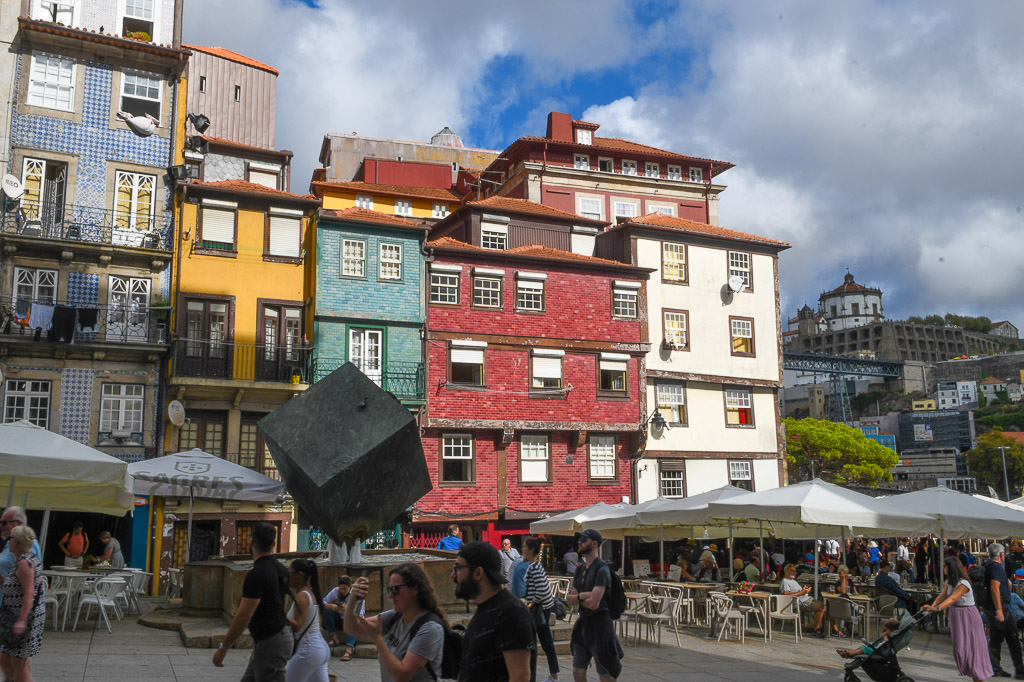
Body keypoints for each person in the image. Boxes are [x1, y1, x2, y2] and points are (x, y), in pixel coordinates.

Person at [212, 522, 291, 681]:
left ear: (252, 542)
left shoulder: (256, 574)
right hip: (278, 637)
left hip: (270, 641)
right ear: (274, 544)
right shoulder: (281, 570)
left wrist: (224, 647)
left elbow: (243, 616)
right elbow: (283, 605)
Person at [346, 562, 446, 682]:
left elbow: (402, 676)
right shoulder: (396, 616)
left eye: (395, 589)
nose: (390, 595)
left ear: (415, 589)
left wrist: (377, 638)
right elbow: (352, 629)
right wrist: (352, 598)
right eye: (389, 589)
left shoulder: (430, 629)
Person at [454, 541, 536, 682]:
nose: (453, 575)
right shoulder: (486, 607)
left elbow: (520, 677)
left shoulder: (511, 613)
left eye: (458, 568)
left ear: (478, 573)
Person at [922, 557, 992, 682]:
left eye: (945, 566)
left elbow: (953, 599)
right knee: (960, 648)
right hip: (957, 616)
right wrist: (931, 606)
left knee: (971, 649)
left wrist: (937, 608)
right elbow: (942, 596)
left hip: (967, 616)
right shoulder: (949, 582)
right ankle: (974, 674)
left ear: (951, 567)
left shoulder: (963, 583)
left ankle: (978, 676)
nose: (943, 569)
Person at [568, 529, 623, 682]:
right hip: (583, 625)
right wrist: (582, 596)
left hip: (601, 627)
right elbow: (568, 599)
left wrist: (578, 597)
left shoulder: (602, 569)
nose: (579, 542)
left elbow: (593, 604)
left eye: (583, 539)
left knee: (605, 675)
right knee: (577, 671)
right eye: (579, 539)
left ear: (594, 543)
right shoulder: (579, 569)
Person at [0, 525, 44, 682]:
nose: (7, 542)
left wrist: (21, 621)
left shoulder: (25, 563)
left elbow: (29, 594)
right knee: (6, 658)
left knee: (20, 665)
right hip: (12, 617)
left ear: (16, 542)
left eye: (10, 538)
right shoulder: (25, 558)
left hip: (23, 618)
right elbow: (13, 586)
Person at [982, 542, 1024, 678]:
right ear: (1001, 555)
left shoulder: (986, 565)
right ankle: (1019, 670)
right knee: (1013, 638)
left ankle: (995, 668)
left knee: (995, 637)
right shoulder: (997, 568)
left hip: (988, 608)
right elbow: (995, 587)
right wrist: (999, 609)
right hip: (999, 608)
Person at [285, 558, 330, 682]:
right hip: (320, 648)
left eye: (289, 573)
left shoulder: (302, 596)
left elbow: (298, 625)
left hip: (309, 649)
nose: (287, 577)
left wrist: (279, 615)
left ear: (299, 575)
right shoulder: (311, 593)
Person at [522, 537, 559, 682]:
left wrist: (530, 604)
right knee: (544, 642)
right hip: (542, 609)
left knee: (544, 643)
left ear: (531, 550)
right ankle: (553, 676)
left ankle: (554, 677)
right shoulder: (535, 566)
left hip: (539, 611)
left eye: (525, 547)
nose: (523, 549)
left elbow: (542, 591)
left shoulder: (535, 568)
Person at [0, 508, 41, 610]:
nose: (1, 526)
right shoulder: (10, 543)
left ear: (18, 523)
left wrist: (22, 620)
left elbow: (29, 590)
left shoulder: (27, 546)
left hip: (15, 608)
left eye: (4, 523)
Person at [780, 563, 826, 637]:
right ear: (786, 571)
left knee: (827, 605)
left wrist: (805, 590)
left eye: (795, 571)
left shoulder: (793, 581)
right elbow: (786, 595)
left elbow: (799, 592)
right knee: (821, 607)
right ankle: (816, 629)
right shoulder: (785, 581)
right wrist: (802, 592)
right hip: (800, 602)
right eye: (792, 571)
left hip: (807, 598)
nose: (794, 573)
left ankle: (829, 629)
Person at [322, 576, 362, 660]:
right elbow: (322, 603)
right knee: (327, 611)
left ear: (350, 587)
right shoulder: (335, 591)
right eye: (341, 589)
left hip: (350, 622)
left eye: (345, 589)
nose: (343, 591)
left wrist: (347, 610)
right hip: (338, 621)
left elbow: (360, 614)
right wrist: (330, 605)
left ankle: (348, 650)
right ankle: (334, 638)